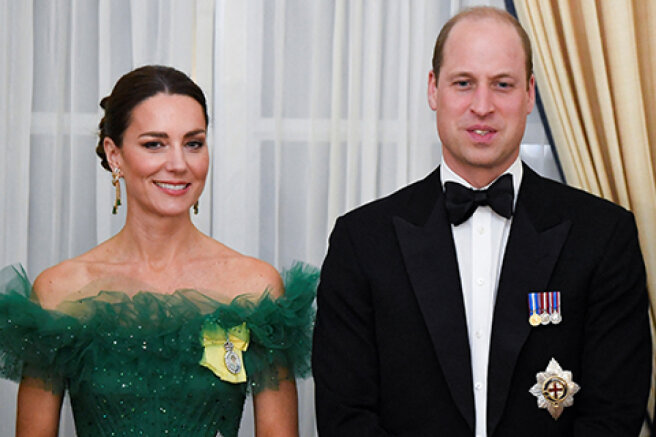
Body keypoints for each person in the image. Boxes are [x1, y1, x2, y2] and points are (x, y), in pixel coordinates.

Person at [313, 6, 651, 437]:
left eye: (502, 85)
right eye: (463, 83)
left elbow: (613, 415)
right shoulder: (361, 242)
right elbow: (346, 417)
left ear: (529, 94)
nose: (482, 106)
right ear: (433, 89)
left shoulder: (603, 236)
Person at [0, 65, 318, 437]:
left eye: (193, 143)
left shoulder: (253, 286)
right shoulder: (60, 290)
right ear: (114, 154)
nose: (179, 164)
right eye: (155, 144)